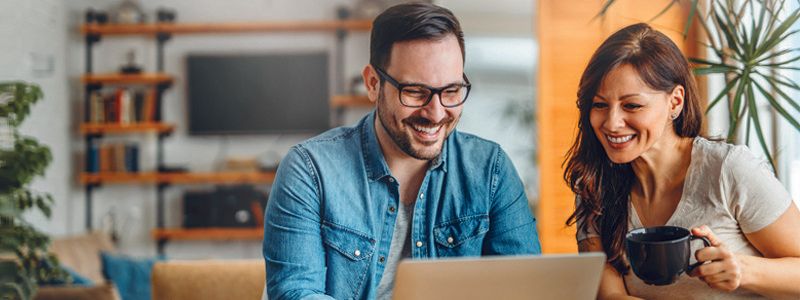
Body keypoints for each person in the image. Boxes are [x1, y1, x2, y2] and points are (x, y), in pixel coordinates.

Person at [263, 3, 541, 299]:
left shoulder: (491, 171)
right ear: (373, 84)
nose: (436, 114)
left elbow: (528, 290)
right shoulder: (310, 170)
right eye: (416, 92)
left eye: (451, 92)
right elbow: (295, 293)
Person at [564, 22, 800, 299]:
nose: (612, 123)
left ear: (675, 102)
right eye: (599, 104)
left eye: (632, 105)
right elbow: (611, 294)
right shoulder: (594, 185)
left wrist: (745, 271)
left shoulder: (729, 170)